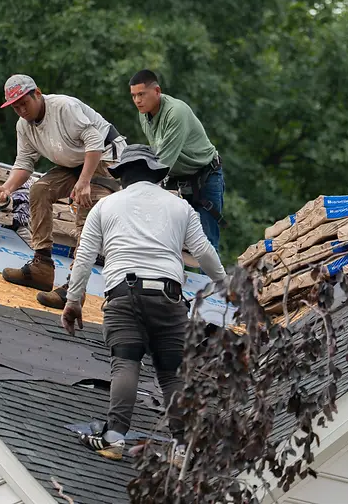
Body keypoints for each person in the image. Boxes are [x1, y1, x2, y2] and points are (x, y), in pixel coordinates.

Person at [61, 144, 226, 464]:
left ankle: (113, 438)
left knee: (125, 362)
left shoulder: (105, 206)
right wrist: (225, 285)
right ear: (156, 175)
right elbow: (205, 253)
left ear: (122, 176)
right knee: (170, 372)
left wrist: (73, 301)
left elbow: (83, 258)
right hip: (169, 297)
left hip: (124, 295)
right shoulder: (179, 207)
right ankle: (181, 449)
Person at [0, 74, 126, 295]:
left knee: (86, 209)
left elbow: (94, 141)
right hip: (75, 161)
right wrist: (6, 188)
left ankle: (74, 289)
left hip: (106, 157)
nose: (22, 111)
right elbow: (24, 162)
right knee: (40, 190)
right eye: (16, 108)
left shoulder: (63, 107)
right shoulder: (23, 126)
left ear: (37, 93)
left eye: (24, 103)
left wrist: (84, 183)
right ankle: (41, 267)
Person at [129, 69, 224, 254]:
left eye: (141, 94)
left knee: (206, 243)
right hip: (177, 180)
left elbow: (163, 162)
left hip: (205, 178)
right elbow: (156, 153)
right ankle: (175, 281)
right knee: (169, 237)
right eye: (133, 96)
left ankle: (213, 283)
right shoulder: (144, 113)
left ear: (157, 91)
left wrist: (137, 191)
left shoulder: (175, 112)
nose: (137, 101)